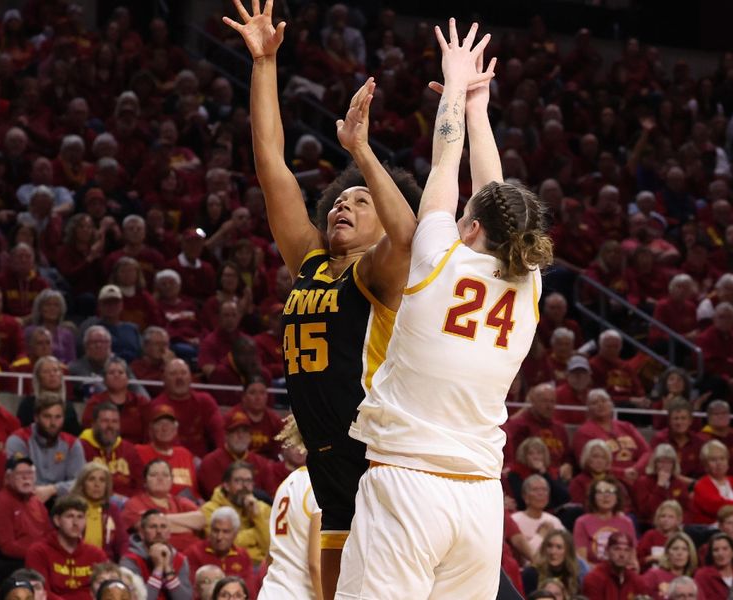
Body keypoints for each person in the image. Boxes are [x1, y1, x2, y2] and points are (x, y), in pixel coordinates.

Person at [337, 18, 551, 598]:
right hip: (480, 497)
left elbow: (444, 165)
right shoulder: (526, 285)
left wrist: (456, 91)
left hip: (409, 483)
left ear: (472, 226)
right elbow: (496, 190)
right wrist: (478, 105)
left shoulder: (439, 258)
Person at [225, 2, 422, 596]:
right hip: (328, 463)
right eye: (341, 199)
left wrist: (363, 153)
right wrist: (263, 64)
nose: (344, 204)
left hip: (379, 458)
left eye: (362, 202)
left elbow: (410, 234)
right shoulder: (310, 261)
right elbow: (270, 166)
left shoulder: (381, 273)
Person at [259, 417, 323, 600]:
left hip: (270, 591)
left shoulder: (288, 482)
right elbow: (316, 564)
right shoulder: (322, 486)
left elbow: (271, 556)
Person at [5, 393, 85, 503]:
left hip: (63, 503)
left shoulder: (72, 443)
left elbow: (80, 481)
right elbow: (19, 479)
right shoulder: (19, 440)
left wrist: (53, 489)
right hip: (26, 500)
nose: (53, 423)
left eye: (58, 417)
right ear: (36, 417)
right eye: (47, 416)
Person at [24, 495, 108, 600]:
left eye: (80, 517)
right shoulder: (38, 551)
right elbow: (40, 592)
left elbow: (107, 590)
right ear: (57, 520)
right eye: (70, 516)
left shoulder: (96, 554)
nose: (75, 523)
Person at [0, 458, 52, 586]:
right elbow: (7, 547)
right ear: (8, 478)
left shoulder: (36, 502)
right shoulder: (1, 503)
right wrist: (40, 554)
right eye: (20, 474)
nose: (26, 478)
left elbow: (49, 534)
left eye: (30, 473)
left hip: (36, 558)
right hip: (9, 564)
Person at [149, 358, 224, 458]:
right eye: (173, 374)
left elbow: (219, 431)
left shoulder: (205, 400)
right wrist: (190, 459)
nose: (179, 378)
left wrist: (222, 456)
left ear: (190, 377)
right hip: (169, 460)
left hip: (204, 461)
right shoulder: (157, 406)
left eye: (183, 373)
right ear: (164, 379)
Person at [121, 459, 204, 549]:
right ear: (145, 481)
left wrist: (160, 518)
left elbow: (201, 520)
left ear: (172, 481)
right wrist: (188, 527)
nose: (160, 478)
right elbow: (147, 530)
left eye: (165, 475)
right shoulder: (134, 504)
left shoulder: (180, 501)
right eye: (154, 475)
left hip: (192, 551)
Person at [201, 461, 272, 565]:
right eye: (238, 481)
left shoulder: (263, 509)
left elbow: (270, 546)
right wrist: (256, 535)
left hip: (262, 568)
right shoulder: (210, 510)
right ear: (226, 485)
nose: (244, 486)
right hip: (227, 564)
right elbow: (222, 543)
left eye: (248, 481)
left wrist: (257, 517)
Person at [198, 409, 274, 499]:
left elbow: (270, 496)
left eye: (245, 431)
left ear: (250, 436)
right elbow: (217, 497)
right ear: (226, 435)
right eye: (235, 431)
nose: (240, 435)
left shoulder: (262, 463)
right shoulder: (210, 462)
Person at [120, 509, 193, 600]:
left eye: (163, 526)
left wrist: (168, 570)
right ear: (142, 533)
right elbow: (143, 598)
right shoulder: (130, 561)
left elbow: (185, 599)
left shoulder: (180, 560)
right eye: (153, 527)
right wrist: (158, 569)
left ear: (169, 532)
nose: (159, 531)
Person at [186, 506, 256, 597]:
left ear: (235, 534)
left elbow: (249, 592)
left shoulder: (243, 556)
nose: (219, 537)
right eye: (216, 530)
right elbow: (190, 592)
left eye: (225, 532)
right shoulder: (194, 553)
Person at [79, 401, 144, 498]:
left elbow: (141, 485)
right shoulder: (80, 447)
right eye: (105, 421)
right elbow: (77, 485)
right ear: (93, 424)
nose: (110, 426)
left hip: (128, 506)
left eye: (114, 422)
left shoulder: (129, 449)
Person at [135, 404, 200, 501]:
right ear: (150, 429)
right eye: (159, 424)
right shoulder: (138, 452)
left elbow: (196, 493)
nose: (165, 429)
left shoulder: (185, 454)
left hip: (189, 508)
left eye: (169, 424)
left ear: (175, 430)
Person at [689, 440, 733, 525]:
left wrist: (731, 510)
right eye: (713, 460)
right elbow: (716, 508)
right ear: (705, 464)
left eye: (722, 458)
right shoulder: (701, 485)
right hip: (714, 532)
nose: (719, 463)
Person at [82, 356, 151, 445]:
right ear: (105, 379)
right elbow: (88, 432)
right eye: (111, 372)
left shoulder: (141, 402)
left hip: (136, 452)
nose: (116, 375)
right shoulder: (95, 403)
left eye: (121, 372)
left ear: (128, 378)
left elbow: (150, 433)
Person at [69, 462, 129, 561]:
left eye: (102, 480)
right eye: (91, 479)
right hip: (75, 561)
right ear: (82, 483)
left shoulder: (112, 510)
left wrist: (125, 564)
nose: (97, 485)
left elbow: (122, 542)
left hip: (105, 564)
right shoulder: (71, 507)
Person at [572, 476, 637, 564]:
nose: (606, 496)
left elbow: (632, 559)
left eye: (610, 492)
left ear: (617, 498)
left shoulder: (626, 522)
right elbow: (581, 562)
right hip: (593, 573)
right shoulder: (582, 522)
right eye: (600, 492)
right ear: (593, 497)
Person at [632, 444, 691, 525]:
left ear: (674, 465)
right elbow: (645, 512)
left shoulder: (679, 484)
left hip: (677, 526)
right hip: (649, 525)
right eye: (661, 461)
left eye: (669, 462)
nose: (665, 466)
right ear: (654, 463)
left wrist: (677, 523)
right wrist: (660, 486)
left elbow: (687, 510)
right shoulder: (642, 482)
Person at [521, 529, 588, 597]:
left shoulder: (574, 575)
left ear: (568, 551)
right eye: (549, 546)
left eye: (559, 547)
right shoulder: (531, 573)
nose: (553, 552)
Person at [580, 532, 647, 598]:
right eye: (617, 549)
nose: (622, 554)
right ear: (607, 551)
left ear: (631, 554)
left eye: (626, 550)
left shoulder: (636, 580)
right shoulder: (594, 579)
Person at [693, 533, 733, 600]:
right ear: (711, 555)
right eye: (716, 550)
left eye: (725, 549)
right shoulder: (702, 576)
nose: (720, 554)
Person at [512, 475, 566, 555]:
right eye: (535, 490)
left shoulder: (554, 520)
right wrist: (540, 536)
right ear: (525, 496)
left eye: (544, 490)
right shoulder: (514, 520)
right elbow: (526, 558)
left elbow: (567, 549)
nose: (541, 493)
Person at [640, 532, 698, 599]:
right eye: (675, 549)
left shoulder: (694, 579)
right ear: (667, 553)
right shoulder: (654, 575)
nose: (679, 553)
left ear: (690, 554)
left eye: (684, 549)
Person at [636, 500, 685, 570]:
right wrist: (651, 558)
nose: (666, 520)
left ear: (678, 520)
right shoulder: (650, 535)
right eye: (663, 516)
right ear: (658, 518)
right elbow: (637, 561)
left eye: (671, 517)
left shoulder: (682, 538)